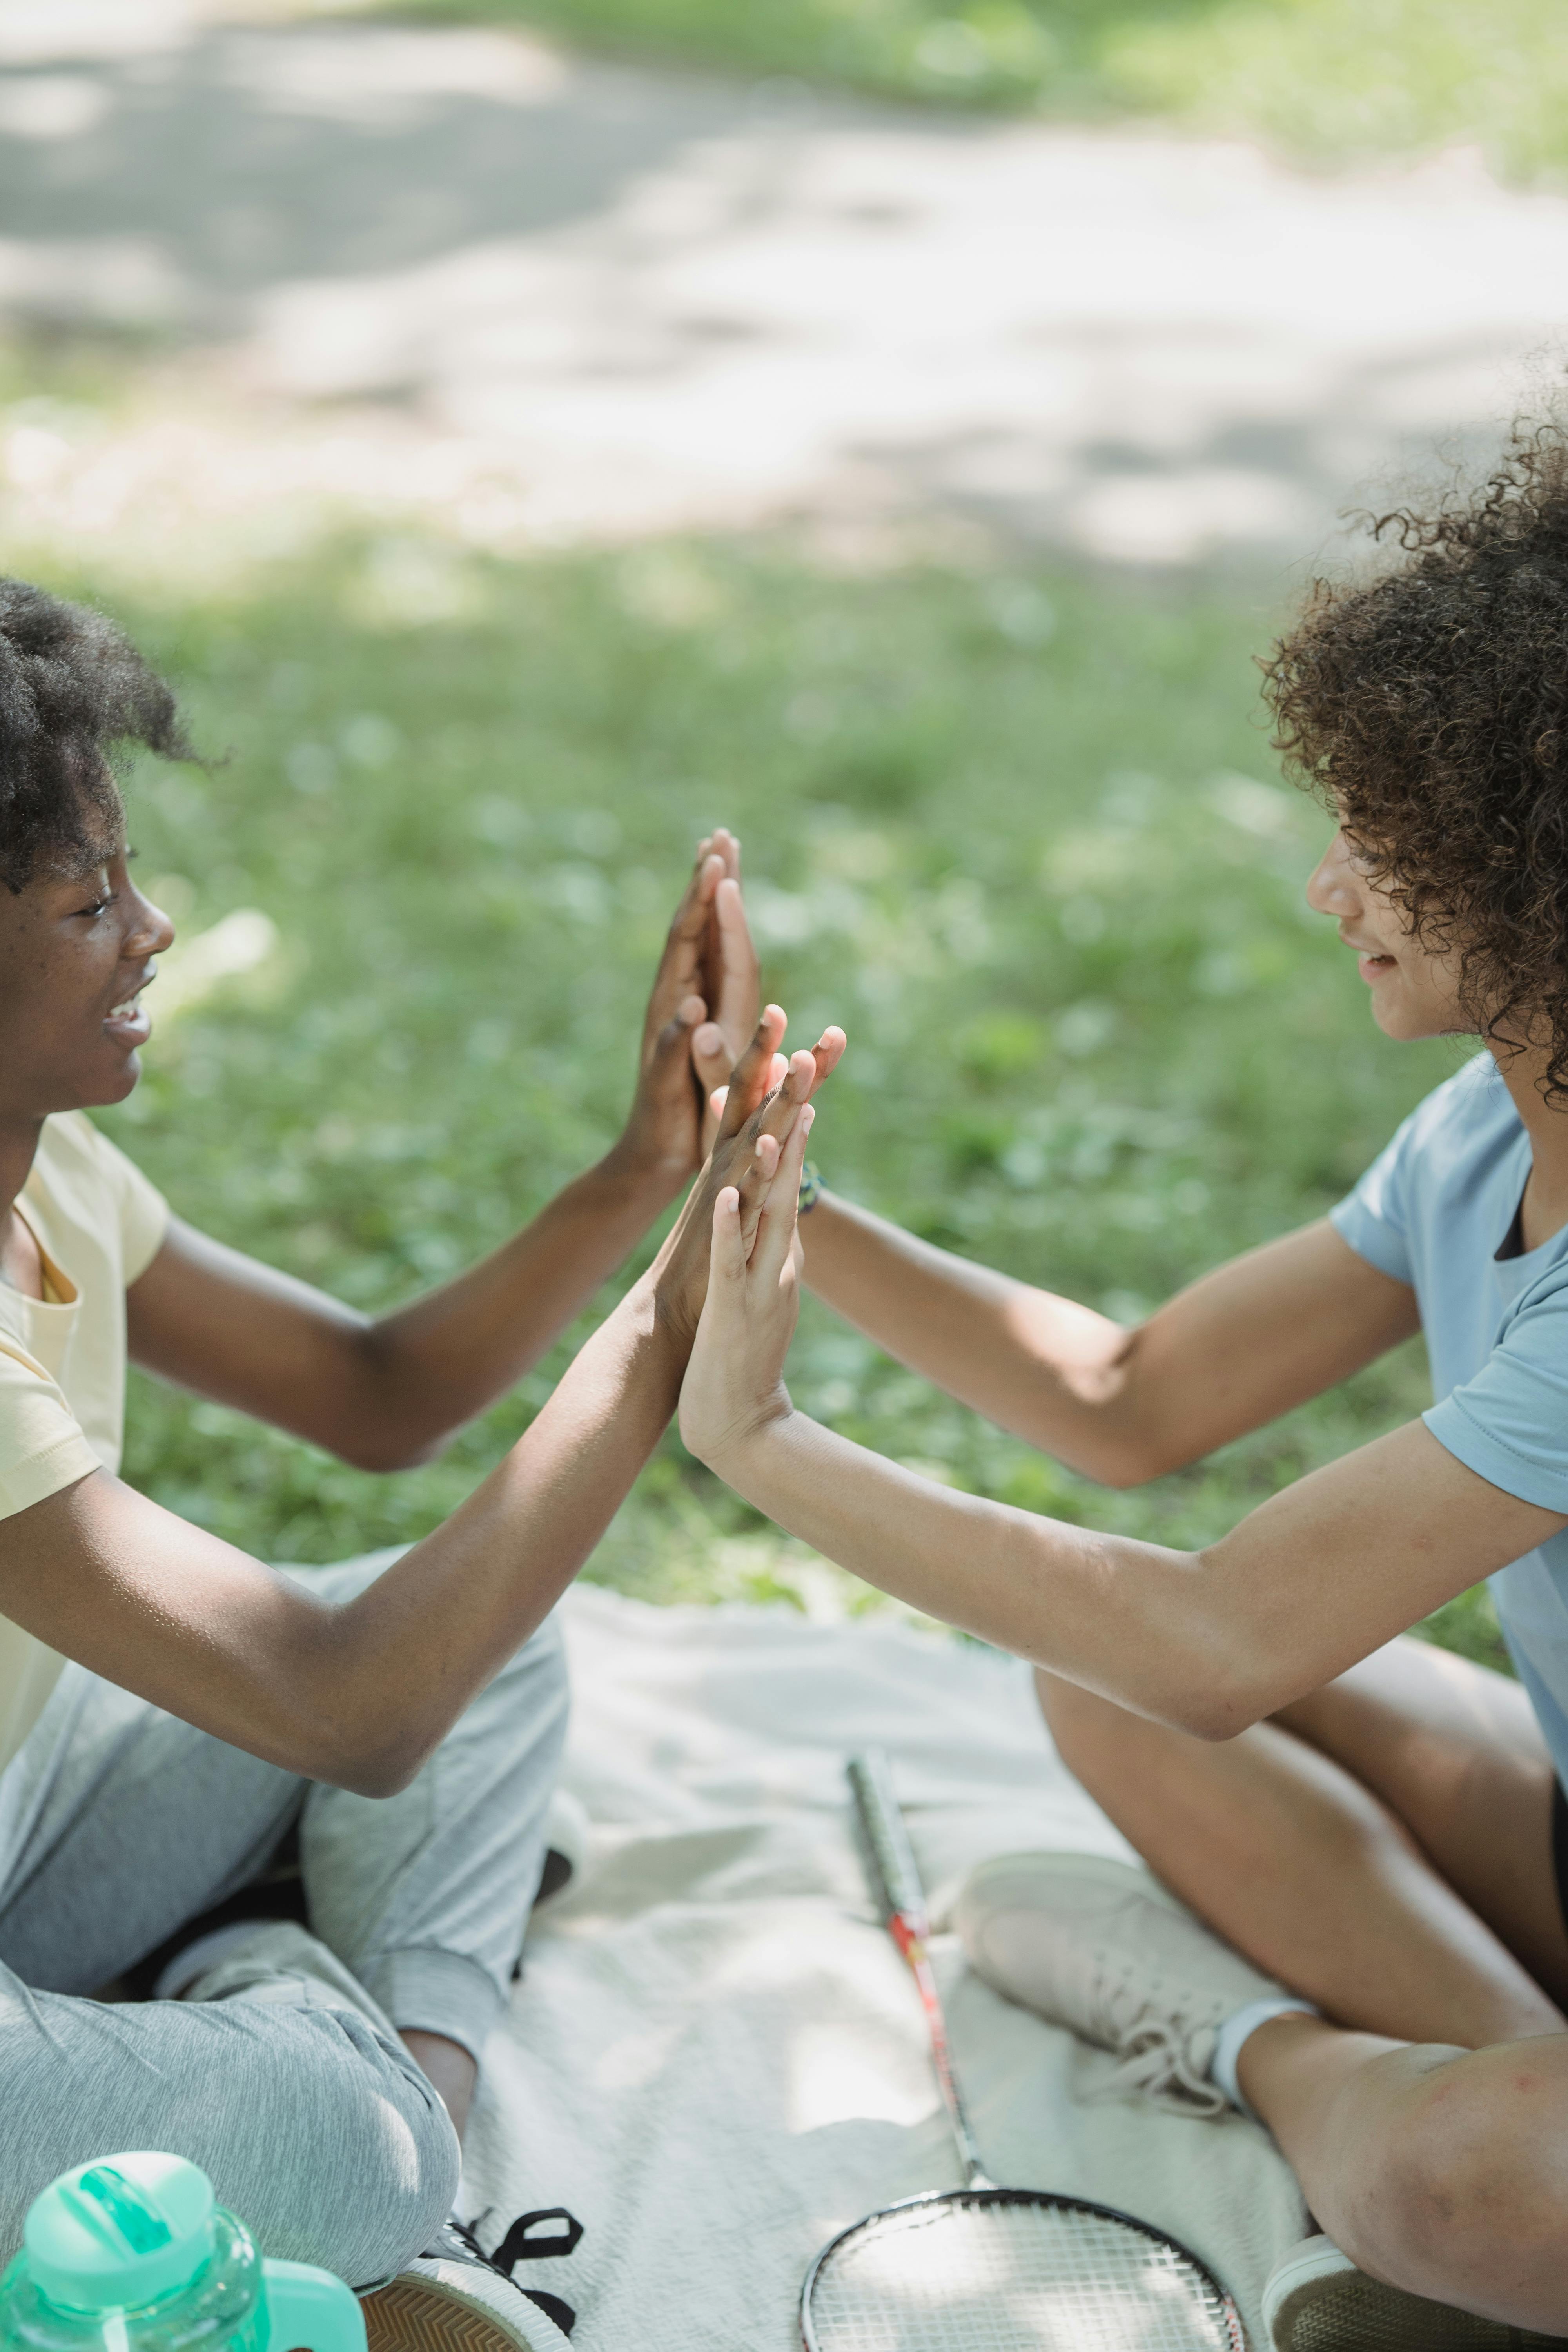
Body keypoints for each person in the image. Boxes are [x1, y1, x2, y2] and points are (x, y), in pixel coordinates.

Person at [677, 423, 1568, 2349]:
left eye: (1383, 838)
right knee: (1092, 1680)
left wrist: (759, 1438)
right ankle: (1515, 2081)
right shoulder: (1484, 1133)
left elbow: (1220, 1639)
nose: (1329, 888)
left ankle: (1304, 2076)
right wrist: (772, 1176)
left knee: (1466, 2181)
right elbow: (1127, 1396)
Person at [0, 579, 842, 2352]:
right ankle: (319, 2060)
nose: (154, 929)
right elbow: (348, 1711)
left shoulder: (46, 1168)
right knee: (346, 2145)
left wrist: (643, 1172)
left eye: (129, 877)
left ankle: (384, 2123)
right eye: (90, 903)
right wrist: (674, 1310)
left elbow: (375, 1396)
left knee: (493, 1653)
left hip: (27, 1815)